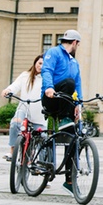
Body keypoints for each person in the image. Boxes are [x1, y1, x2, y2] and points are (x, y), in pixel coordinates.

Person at [41, 30, 84, 196]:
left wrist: (79, 104)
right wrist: (49, 87)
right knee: (68, 82)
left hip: (66, 103)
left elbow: (78, 85)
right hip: (51, 99)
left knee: (75, 139)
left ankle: (69, 181)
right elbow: (47, 71)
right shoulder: (54, 52)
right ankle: (64, 118)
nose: (77, 47)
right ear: (74, 43)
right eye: (77, 45)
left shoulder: (74, 62)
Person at [1, 55, 45, 161]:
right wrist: (8, 90)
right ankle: (12, 151)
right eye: (39, 63)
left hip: (39, 112)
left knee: (42, 137)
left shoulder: (47, 78)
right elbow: (15, 86)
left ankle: (42, 163)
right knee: (15, 124)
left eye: (44, 64)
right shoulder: (25, 76)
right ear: (35, 63)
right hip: (24, 107)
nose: (41, 66)